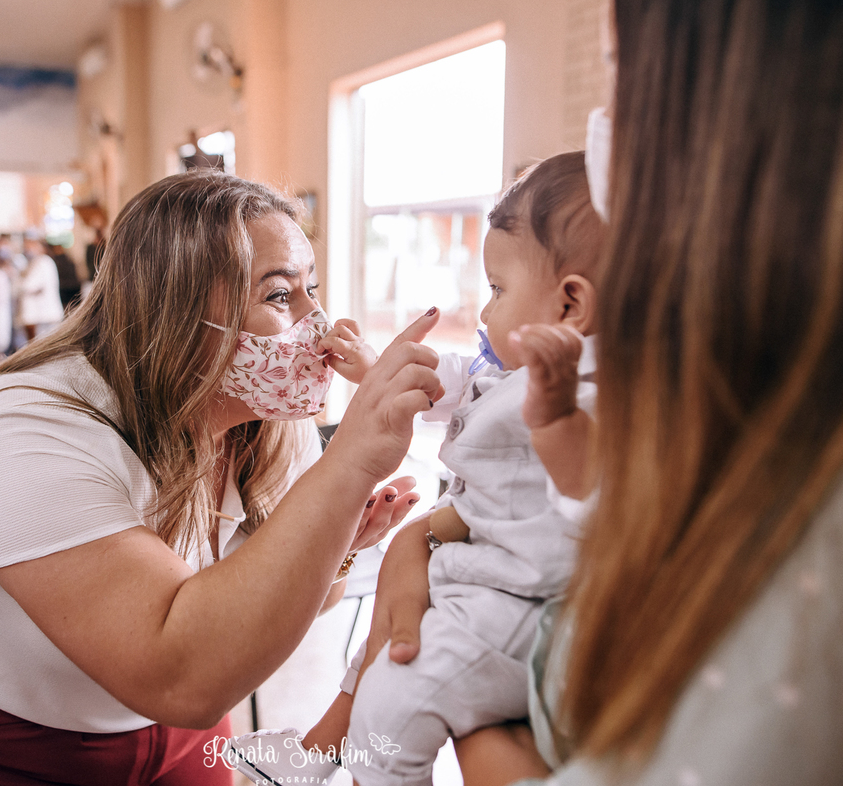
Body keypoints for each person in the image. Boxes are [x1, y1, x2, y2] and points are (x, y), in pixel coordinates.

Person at [371, 0, 843, 784]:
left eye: (620, 77)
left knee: (390, 704)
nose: (605, 128)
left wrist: (491, 751)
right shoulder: (718, 385)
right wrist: (421, 535)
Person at [0, 171, 445, 784]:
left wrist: (342, 542)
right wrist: (351, 462)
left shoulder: (269, 419)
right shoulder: (25, 430)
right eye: (281, 297)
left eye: (311, 289)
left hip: (182, 721)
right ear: (173, 305)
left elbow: (276, 612)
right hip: (1, 734)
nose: (323, 326)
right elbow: (180, 676)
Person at [225, 153, 607, 786]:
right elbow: (442, 380)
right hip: (467, 570)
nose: (484, 314)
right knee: (374, 650)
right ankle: (317, 754)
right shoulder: (508, 367)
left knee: (395, 702)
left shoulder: (593, 391)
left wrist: (558, 414)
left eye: (498, 291)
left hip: (517, 601)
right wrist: (376, 366)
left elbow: (590, 487)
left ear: (570, 304)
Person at [17, 233, 64, 341]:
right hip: (41, 317)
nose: (27, 248)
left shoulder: (42, 262)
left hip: (43, 316)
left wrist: (18, 282)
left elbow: (28, 285)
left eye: (30, 245)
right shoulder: (34, 262)